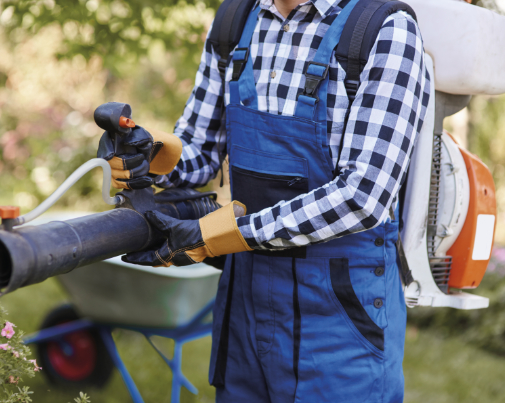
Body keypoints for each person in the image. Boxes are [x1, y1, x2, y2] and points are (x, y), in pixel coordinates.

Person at [100, 0, 430, 401]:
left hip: (340, 312)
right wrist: (150, 157)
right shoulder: (234, 21)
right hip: (247, 303)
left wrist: (219, 233)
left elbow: (363, 196)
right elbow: (201, 150)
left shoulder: (383, 30)